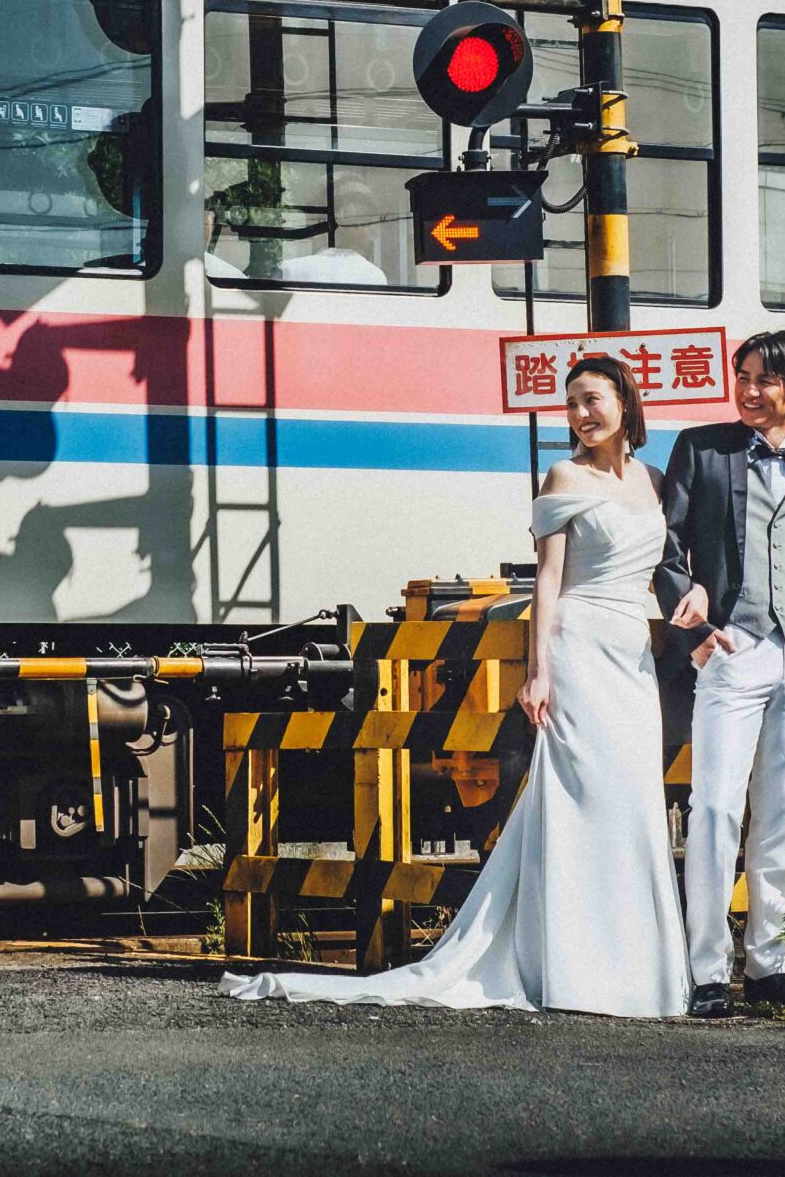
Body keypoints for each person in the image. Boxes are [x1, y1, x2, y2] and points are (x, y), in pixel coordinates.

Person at [222, 357, 688, 1016]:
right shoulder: (564, 476)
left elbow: (668, 568)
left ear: (624, 401)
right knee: (581, 801)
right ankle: (574, 968)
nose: (582, 415)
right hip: (579, 648)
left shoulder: (655, 481)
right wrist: (540, 670)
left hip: (633, 656)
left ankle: (636, 970)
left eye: (593, 400)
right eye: (572, 405)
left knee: (633, 803)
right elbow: (548, 581)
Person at [653, 330, 785, 1019]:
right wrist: (696, 625)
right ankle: (707, 971)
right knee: (713, 808)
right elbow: (665, 545)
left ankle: (771, 963)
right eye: (742, 375)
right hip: (731, 647)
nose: (747, 389)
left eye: (764, 379)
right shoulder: (701, 448)